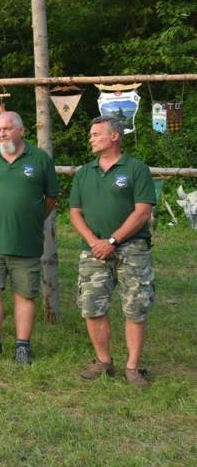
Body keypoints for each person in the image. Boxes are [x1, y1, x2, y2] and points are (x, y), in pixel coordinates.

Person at [70, 116, 156, 387]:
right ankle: (104, 361)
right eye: (91, 134)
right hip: (93, 251)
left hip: (132, 249)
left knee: (135, 308)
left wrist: (113, 241)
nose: (91, 138)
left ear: (114, 136)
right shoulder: (85, 172)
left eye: (97, 134)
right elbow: (75, 213)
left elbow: (142, 211)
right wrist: (95, 241)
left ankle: (133, 367)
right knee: (92, 306)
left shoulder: (136, 169)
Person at [0, 111, 58, 364]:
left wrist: (30, 218)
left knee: (25, 294)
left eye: (7, 129)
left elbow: (51, 197)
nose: (2, 134)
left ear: (21, 130)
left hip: (26, 242)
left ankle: (23, 346)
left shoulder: (40, 160)